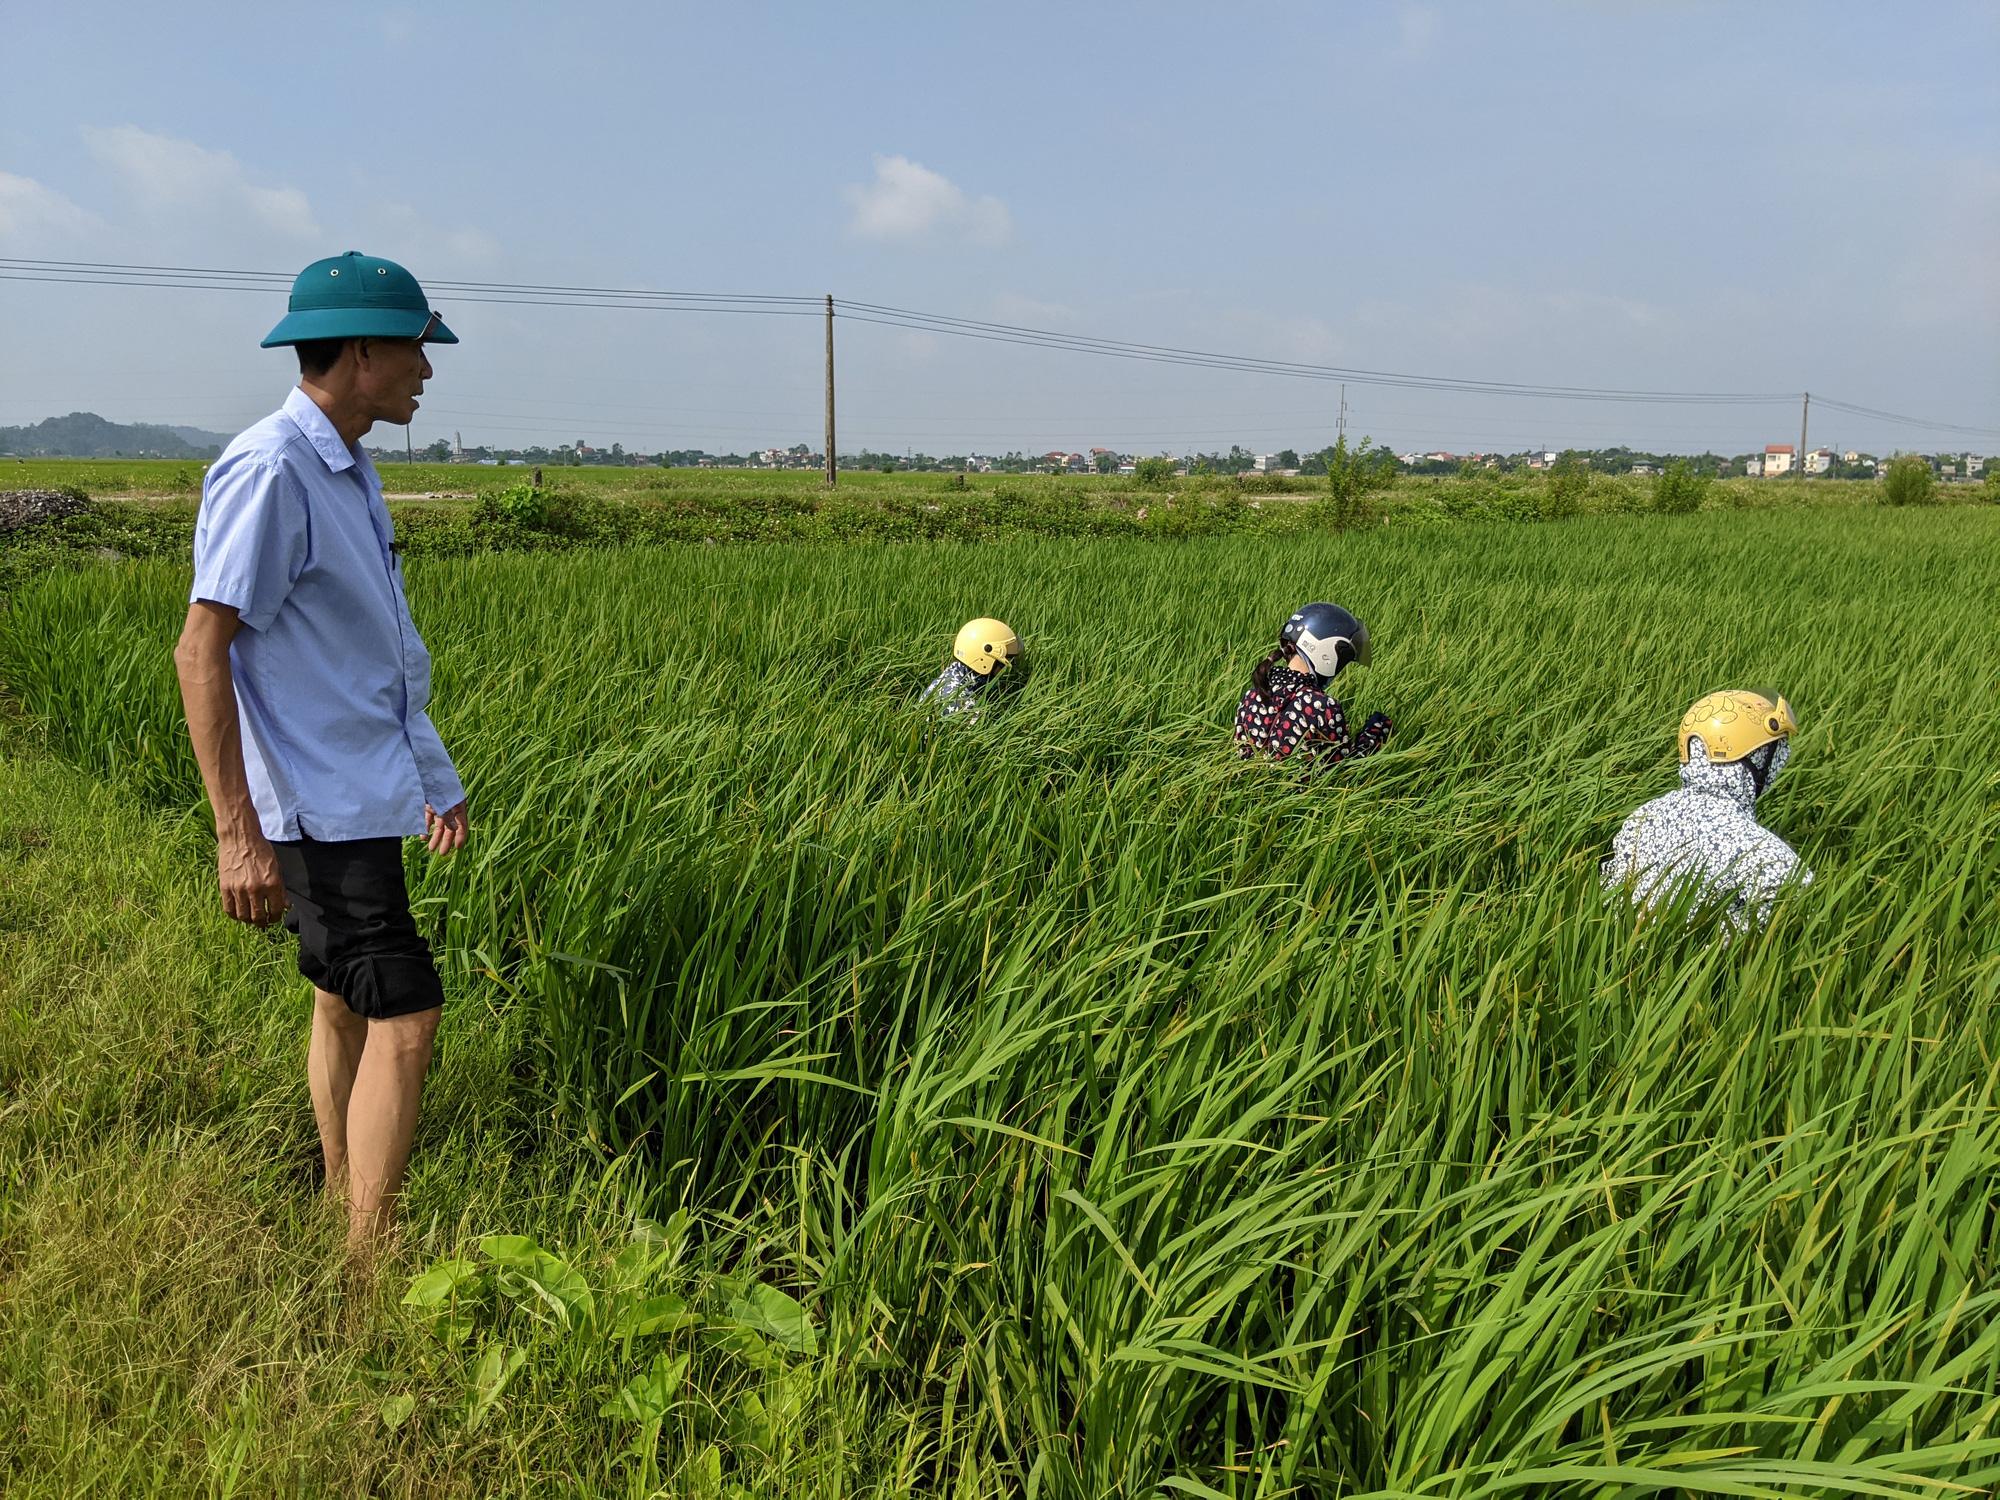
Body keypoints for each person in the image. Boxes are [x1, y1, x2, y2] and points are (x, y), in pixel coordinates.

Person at [172, 251, 468, 1259]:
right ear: (357, 353)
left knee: (342, 994)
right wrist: (236, 839)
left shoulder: (349, 465)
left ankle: (341, 1189)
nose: (426, 370)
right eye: (413, 350)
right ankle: (367, 1259)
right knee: (409, 1015)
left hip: (358, 789)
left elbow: (373, 652)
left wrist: (434, 780)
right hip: (317, 805)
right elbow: (201, 647)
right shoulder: (274, 468)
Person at [1601, 690, 1810, 933]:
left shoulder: (1643, 816)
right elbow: (1795, 919)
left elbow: (1610, 890)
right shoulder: (1761, 849)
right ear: (1758, 760)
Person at [1234, 602, 1393, 769]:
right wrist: (1376, 732)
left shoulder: (1252, 695)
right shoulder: (1323, 707)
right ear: (1328, 655)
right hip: (1297, 794)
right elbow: (1344, 772)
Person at [921, 617, 1024, 722]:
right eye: (1005, 661)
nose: (1005, 667)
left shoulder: (955, 674)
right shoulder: (959, 701)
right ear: (986, 659)